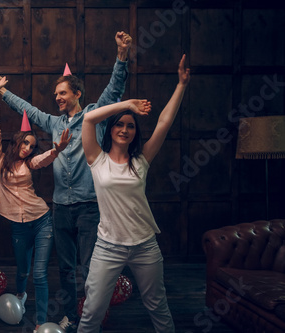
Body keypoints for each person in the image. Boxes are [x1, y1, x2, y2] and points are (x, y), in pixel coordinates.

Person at [0, 31, 132, 331]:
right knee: (66, 268)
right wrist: (3, 93)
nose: (57, 98)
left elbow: (114, 90)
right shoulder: (54, 123)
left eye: (62, 93)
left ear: (77, 94)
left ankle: (92, 318)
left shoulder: (95, 115)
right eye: (56, 94)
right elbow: (28, 109)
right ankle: (71, 314)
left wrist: (121, 55)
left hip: (88, 206)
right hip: (60, 207)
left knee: (89, 268)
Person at [78, 55, 191, 333]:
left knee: (158, 305)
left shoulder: (141, 160)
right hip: (107, 247)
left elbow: (164, 122)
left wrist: (181, 85)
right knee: (92, 310)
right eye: (119, 124)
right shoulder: (96, 159)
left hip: (144, 245)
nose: (125, 129)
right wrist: (128, 105)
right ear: (112, 129)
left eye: (130, 125)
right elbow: (89, 118)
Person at [0, 74, 72, 332]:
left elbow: (42, 160)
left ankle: (39, 322)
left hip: (42, 220)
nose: (27, 148)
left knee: (40, 274)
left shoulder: (30, 162)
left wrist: (56, 151)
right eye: (25, 143)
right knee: (23, 272)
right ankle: (21, 295)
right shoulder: (0, 160)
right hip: (18, 225)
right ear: (17, 142)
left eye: (32, 145)